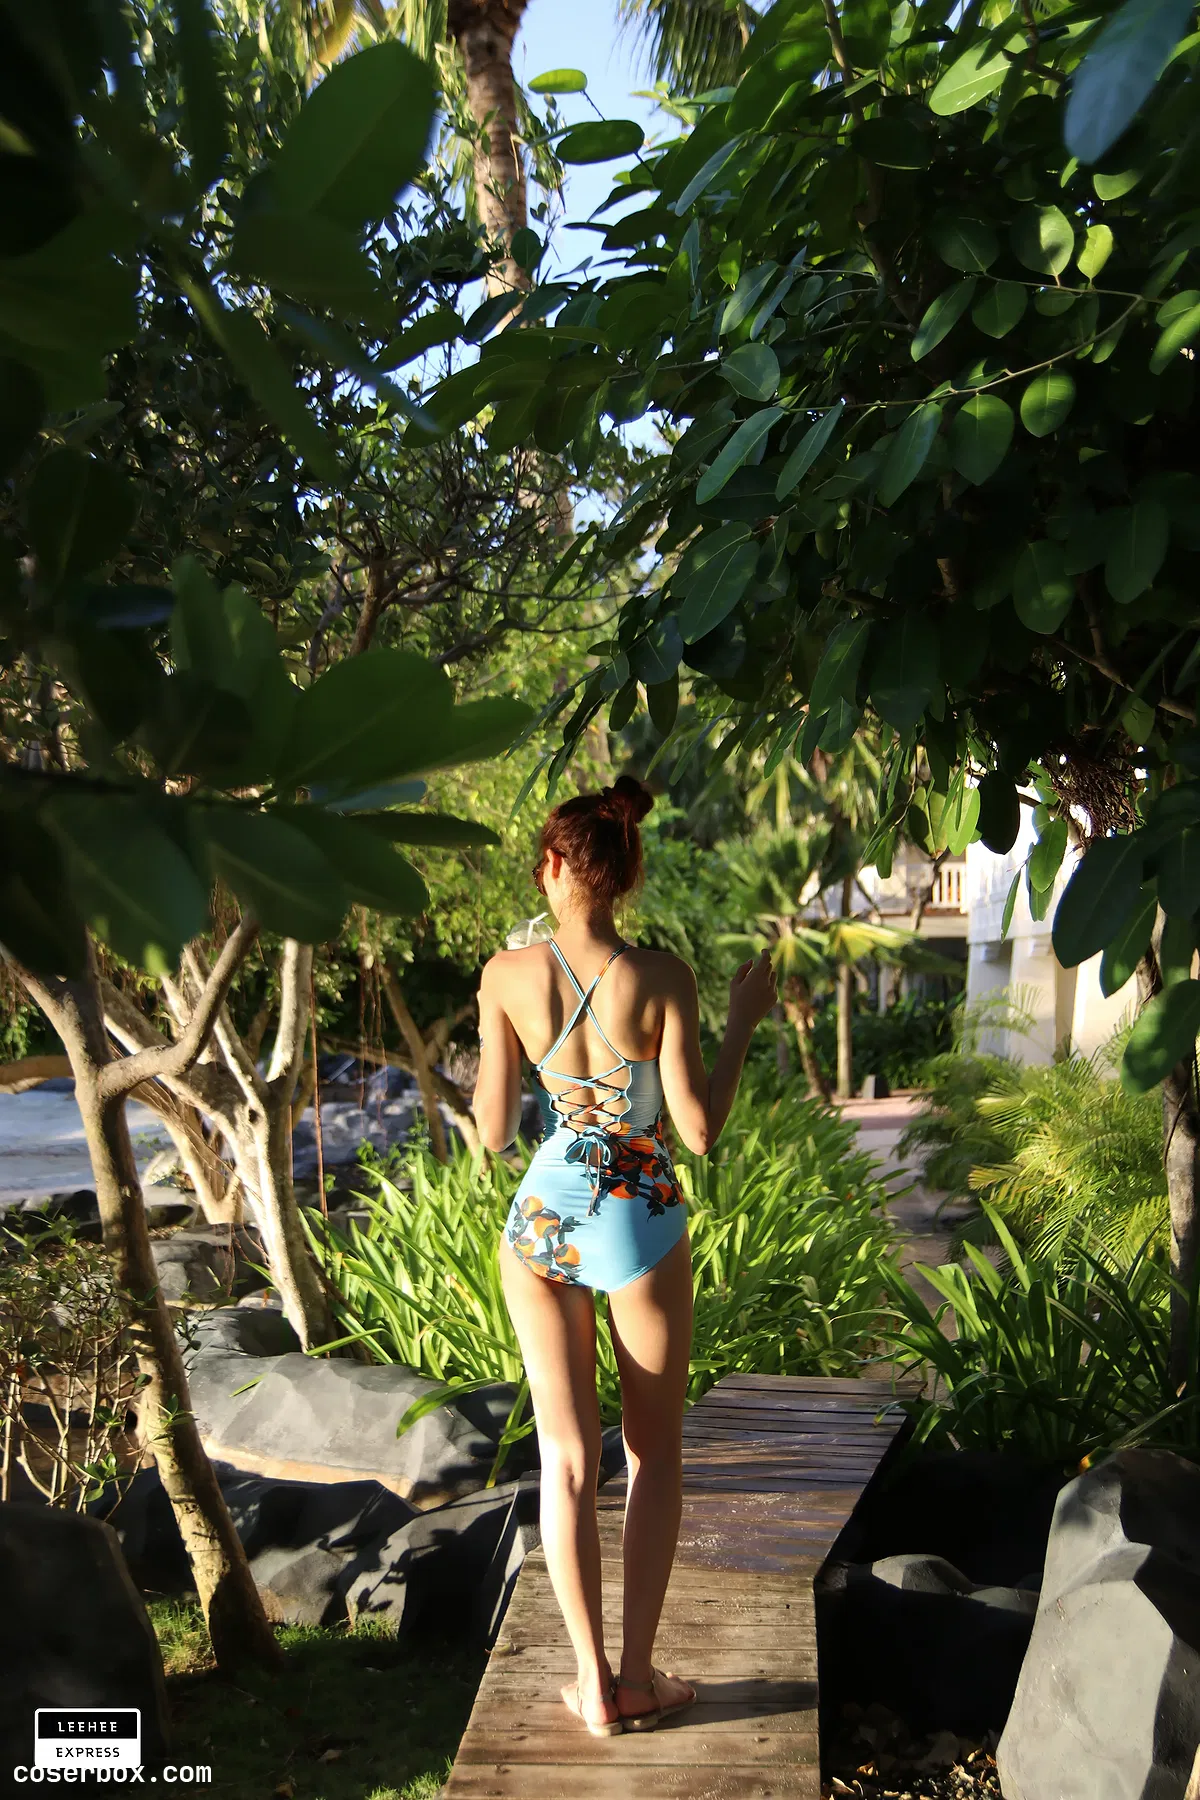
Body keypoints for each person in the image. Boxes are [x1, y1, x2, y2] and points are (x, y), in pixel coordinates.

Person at [473, 775, 777, 1735]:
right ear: (626, 874)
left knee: (565, 1459)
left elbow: (492, 1130)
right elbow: (699, 1132)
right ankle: (638, 1676)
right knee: (651, 1455)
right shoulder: (663, 976)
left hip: (542, 1224)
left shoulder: (504, 975)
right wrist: (743, 1020)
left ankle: (592, 1684)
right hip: (636, 1216)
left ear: (553, 866)